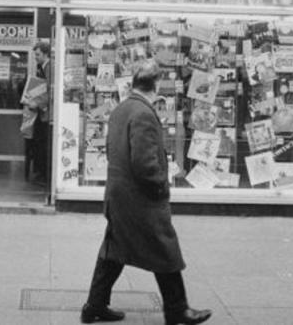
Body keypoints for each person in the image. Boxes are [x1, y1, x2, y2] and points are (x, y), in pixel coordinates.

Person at [81, 59, 211, 325]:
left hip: (118, 196)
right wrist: (160, 185)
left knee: (113, 252)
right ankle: (177, 310)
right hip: (140, 199)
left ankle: (94, 306)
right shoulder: (143, 113)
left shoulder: (120, 109)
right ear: (156, 84)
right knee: (166, 250)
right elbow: (144, 162)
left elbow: (111, 149)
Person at [31, 41, 53, 185]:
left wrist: (38, 103)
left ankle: (44, 175)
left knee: (43, 144)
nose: (35, 57)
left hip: (47, 114)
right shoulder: (44, 67)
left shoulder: (50, 68)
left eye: (38, 54)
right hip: (43, 112)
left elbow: (50, 91)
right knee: (39, 143)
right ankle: (41, 173)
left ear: (45, 54)